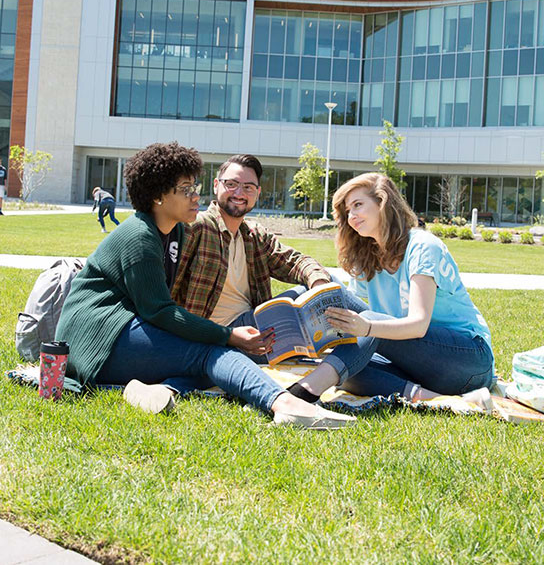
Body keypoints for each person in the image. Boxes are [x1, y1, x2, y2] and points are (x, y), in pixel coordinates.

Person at [56, 142, 354, 429]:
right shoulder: (140, 237)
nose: (194, 197)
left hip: (127, 328)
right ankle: (286, 405)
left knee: (208, 363)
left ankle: (152, 389)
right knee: (211, 354)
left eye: (194, 188)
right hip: (98, 337)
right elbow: (159, 311)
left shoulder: (174, 233)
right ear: (158, 196)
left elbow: (289, 259)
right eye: (185, 190)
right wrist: (227, 335)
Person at [286, 172, 494, 406]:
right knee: (349, 369)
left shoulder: (423, 246)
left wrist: (368, 326)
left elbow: (418, 324)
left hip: (467, 361)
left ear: (382, 203)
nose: (352, 216)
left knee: (369, 328)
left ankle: (304, 392)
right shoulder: (366, 257)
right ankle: (442, 400)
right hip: (416, 363)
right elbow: (358, 330)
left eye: (357, 205)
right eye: (347, 212)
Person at [172, 154, 332, 331]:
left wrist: (319, 284)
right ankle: (367, 329)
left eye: (248, 187)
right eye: (231, 184)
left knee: (327, 285)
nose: (239, 193)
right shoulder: (196, 227)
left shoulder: (254, 236)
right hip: (214, 334)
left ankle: (362, 335)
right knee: (332, 294)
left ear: (257, 192)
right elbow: (167, 293)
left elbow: (295, 262)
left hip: (254, 333)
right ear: (216, 185)